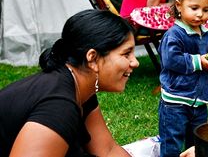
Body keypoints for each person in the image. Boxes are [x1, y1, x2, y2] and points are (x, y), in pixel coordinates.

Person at [0, 9, 139, 156]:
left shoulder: (80, 88)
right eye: (126, 53)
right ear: (92, 58)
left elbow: (108, 150)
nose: (135, 62)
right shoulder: (59, 106)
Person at [158, 0, 208, 157]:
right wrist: (198, 62)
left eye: (205, 10)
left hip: (199, 101)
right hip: (176, 100)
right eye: (194, 8)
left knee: (197, 142)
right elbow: (171, 60)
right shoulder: (174, 34)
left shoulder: (205, 34)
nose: (200, 15)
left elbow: (207, 57)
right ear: (179, 6)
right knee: (172, 142)